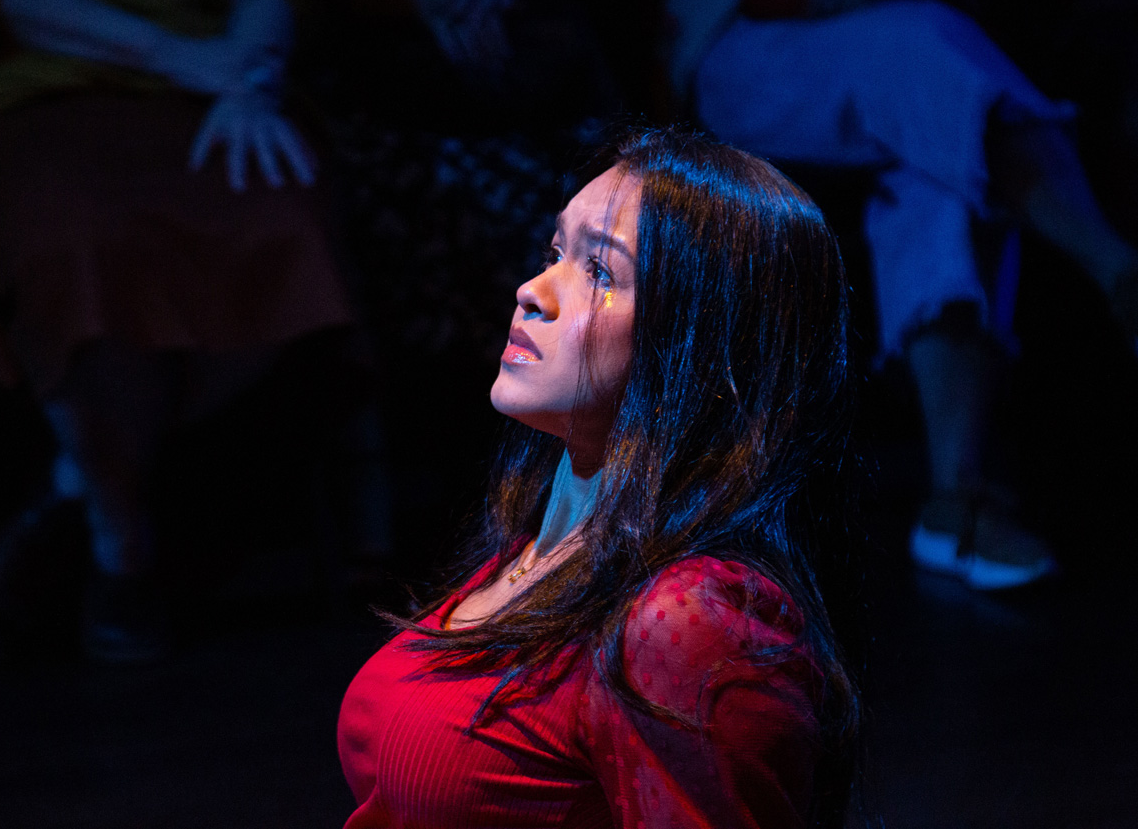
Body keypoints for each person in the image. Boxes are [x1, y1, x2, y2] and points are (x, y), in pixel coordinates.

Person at [338, 128, 860, 828]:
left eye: (600, 272)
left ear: (707, 347)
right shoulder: (540, 549)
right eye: (554, 253)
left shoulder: (690, 621)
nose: (531, 291)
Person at [0, 0, 391, 663]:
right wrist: (181, 57)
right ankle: (120, 547)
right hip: (19, 97)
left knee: (283, 219)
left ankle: (78, 478)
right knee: (79, 244)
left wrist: (250, 78)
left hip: (217, 84)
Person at [659, 0, 1138, 590]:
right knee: (926, 46)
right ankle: (1114, 267)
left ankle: (953, 495)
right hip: (742, 53)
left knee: (939, 167)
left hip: (883, 51)